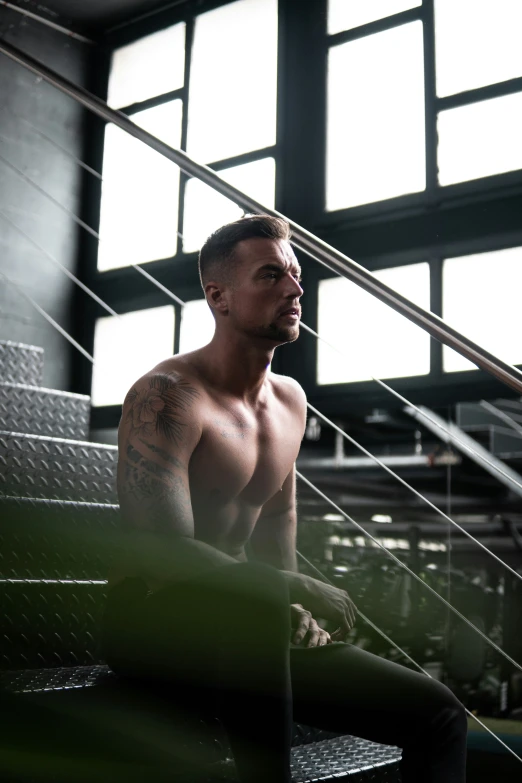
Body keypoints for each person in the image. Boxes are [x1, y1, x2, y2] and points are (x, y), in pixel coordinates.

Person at [101, 214, 467, 783]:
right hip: (152, 622)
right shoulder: (168, 396)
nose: (296, 290)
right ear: (218, 297)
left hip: (256, 620)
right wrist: (289, 589)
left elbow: (278, 516)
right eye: (271, 276)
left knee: (437, 711)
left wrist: (294, 613)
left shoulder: (290, 401)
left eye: (294, 274)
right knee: (255, 612)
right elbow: (161, 554)